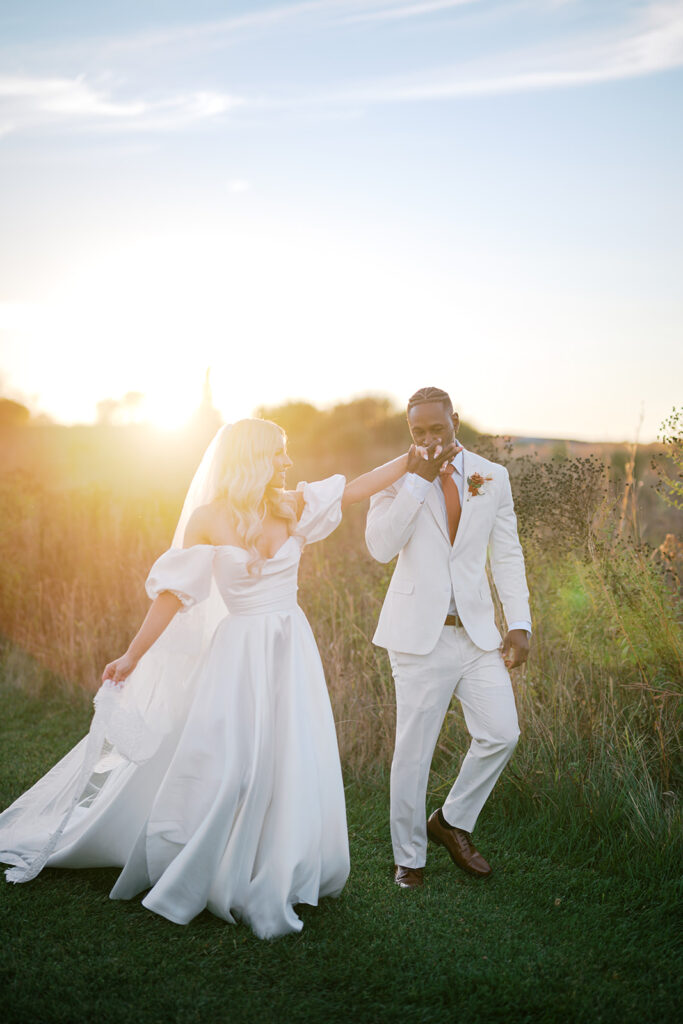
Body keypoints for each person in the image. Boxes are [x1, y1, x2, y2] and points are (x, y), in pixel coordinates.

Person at [0, 419, 454, 939]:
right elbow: (173, 595)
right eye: (278, 454)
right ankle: (207, 861)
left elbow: (353, 489)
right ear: (252, 458)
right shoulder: (207, 520)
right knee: (233, 762)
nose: (287, 463)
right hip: (238, 651)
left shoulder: (291, 504)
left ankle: (275, 863)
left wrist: (413, 457)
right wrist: (131, 655)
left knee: (287, 757)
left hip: (290, 647)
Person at [365, 387, 531, 889]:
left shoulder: (491, 476)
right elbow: (380, 547)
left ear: (455, 421)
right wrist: (415, 483)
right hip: (418, 636)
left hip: (478, 634)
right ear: (409, 432)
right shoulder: (394, 479)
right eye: (419, 433)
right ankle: (409, 858)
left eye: (438, 429)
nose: (430, 440)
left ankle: (452, 821)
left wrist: (519, 621)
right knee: (413, 752)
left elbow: (506, 554)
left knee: (502, 733)